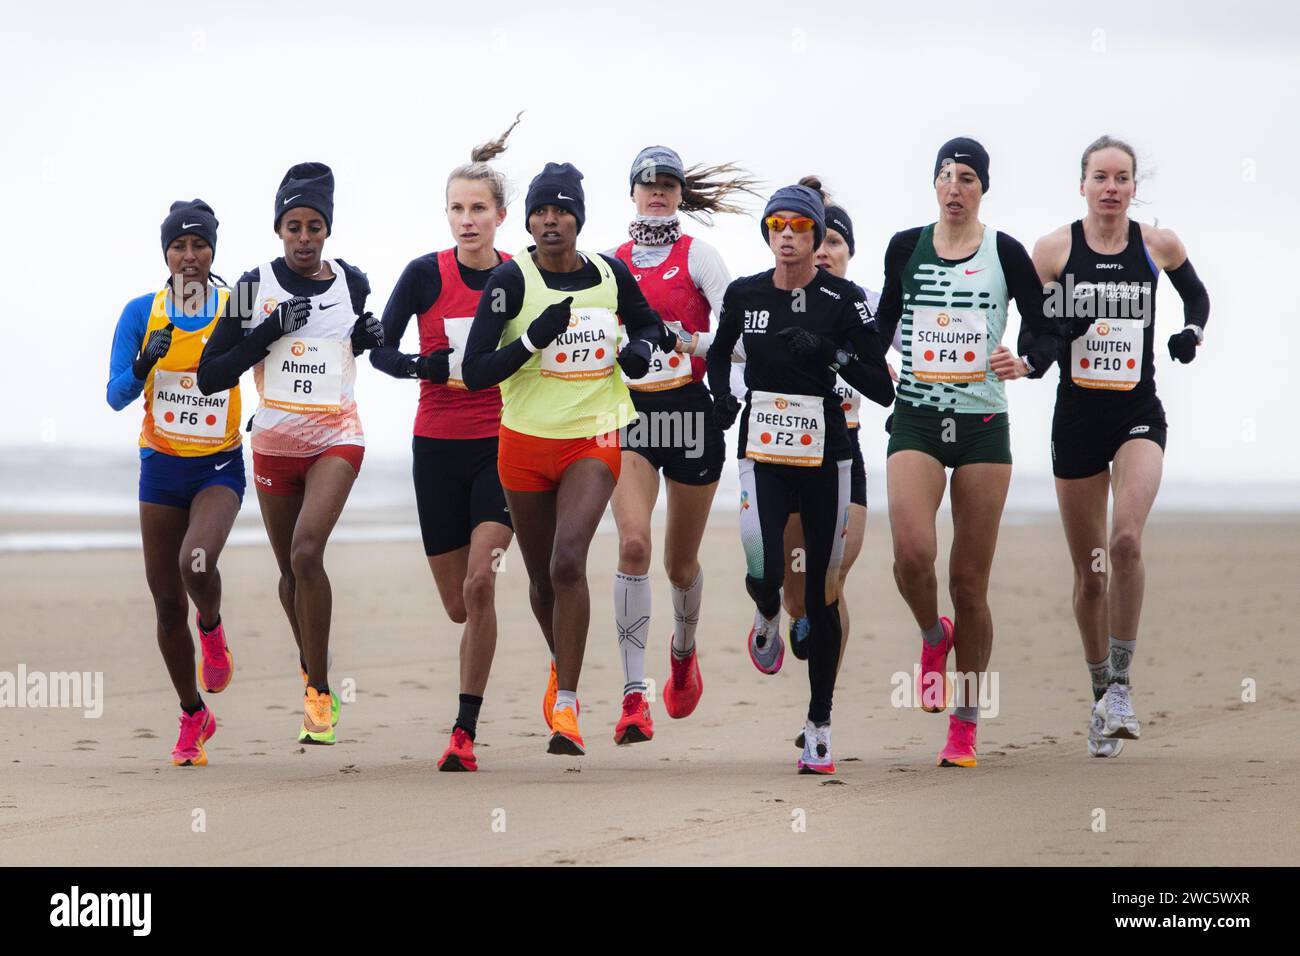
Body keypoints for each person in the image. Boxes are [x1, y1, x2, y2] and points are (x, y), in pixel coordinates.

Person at [462, 162, 673, 757]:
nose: (550, 220)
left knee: (567, 562)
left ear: (579, 217)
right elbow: (476, 372)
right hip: (524, 442)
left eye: (561, 210)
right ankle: (562, 663)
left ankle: (569, 709)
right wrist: (531, 341)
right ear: (528, 220)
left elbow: (650, 325)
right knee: (538, 581)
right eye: (540, 211)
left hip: (594, 435)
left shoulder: (610, 273)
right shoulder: (511, 280)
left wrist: (639, 347)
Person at [875, 137, 1066, 769]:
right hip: (919, 418)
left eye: (967, 179)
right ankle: (934, 635)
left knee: (969, 582)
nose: (955, 188)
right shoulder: (906, 247)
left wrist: (1031, 358)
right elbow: (879, 327)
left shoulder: (1004, 252)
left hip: (983, 422)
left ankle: (964, 720)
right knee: (911, 556)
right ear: (933, 186)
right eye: (945, 177)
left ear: (983, 189)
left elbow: (1044, 324)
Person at [1031, 135, 1209, 757]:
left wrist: (1190, 332)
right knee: (1090, 575)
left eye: (1122, 178)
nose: (1111, 187)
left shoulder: (1158, 245)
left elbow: (1198, 298)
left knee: (1126, 541)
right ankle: (1100, 688)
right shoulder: (1053, 250)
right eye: (1100, 177)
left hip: (1138, 412)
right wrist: (1049, 342)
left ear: (1135, 187)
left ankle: (1125, 687)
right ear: (1081, 183)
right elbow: (1037, 326)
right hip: (1076, 420)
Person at [706, 184, 894, 774]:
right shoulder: (744, 293)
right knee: (762, 566)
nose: (788, 235)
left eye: (800, 227)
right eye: (778, 225)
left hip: (828, 458)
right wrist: (721, 400)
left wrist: (831, 353)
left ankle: (819, 725)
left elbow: (881, 386)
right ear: (768, 234)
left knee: (820, 594)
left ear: (816, 238)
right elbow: (718, 353)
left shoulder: (843, 301)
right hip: (761, 452)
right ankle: (763, 610)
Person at [199, 162, 382, 745]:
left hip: (337, 437)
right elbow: (211, 376)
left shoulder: (353, 282)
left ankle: (320, 692)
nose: (304, 238)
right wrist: (269, 330)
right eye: (293, 226)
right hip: (274, 443)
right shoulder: (253, 286)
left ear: (328, 229)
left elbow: (350, 348)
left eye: (315, 227)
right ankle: (312, 668)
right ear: (279, 228)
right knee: (288, 572)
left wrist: (371, 339)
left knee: (307, 552)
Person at [370, 120, 520, 771]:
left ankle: (464, 732)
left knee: (481, 586)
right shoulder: (423, 274)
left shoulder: (521, 275)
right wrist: (417, 367)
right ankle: (476, 662)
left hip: (501, 444)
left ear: (500, 215)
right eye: (457, 209)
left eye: (478, 208)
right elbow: (378, 348)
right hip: (434, 447)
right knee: (458, 603)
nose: (467, 220)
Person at [606, 145, 757, 744]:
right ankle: (634, 696)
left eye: (668, 185)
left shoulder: (701, 257)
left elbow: (740, 337)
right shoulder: (611, 262)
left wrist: (692, 344)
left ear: (680, 194)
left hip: (692, 416)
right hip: (635, 417)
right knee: (635, 546)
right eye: (649, 184)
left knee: (679, 562)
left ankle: (683, 651)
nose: (659, 193)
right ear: (634, 191)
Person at [106, 200, 242, 766]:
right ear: (165, 254)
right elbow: (115, 395)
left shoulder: (242, 306)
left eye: (200, 245)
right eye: (179, 247)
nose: (190, 256)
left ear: (213, 250)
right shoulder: (143, 311)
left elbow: (287, 362)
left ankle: (211, 628)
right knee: (164, 605)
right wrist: (142, 364)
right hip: (160, 469)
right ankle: (193, 714)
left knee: (196, 562)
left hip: (218, 466)